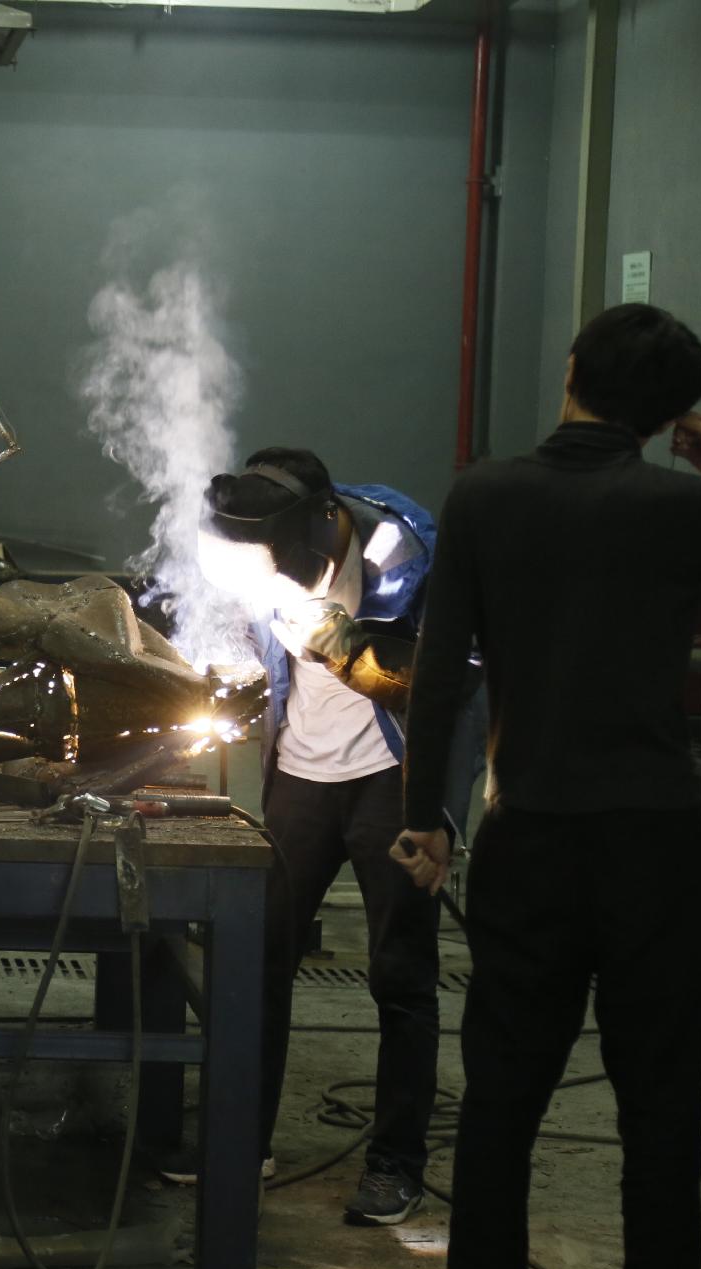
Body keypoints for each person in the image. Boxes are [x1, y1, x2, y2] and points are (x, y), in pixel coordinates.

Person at [393, 303, 701, 1269]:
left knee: (500, 1103)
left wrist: (429, 819)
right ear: (671, 415)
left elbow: (438, 673)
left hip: (529, 837)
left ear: (570, 372)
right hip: (652, 845)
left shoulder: (483, 494)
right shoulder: (681, 505)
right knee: (660, 1113)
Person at [204, 446, 472, 1225]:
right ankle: (241, 1141)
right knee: (259, 958)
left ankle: (396, 1164)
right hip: (300, 772)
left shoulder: (403, 551)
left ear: (326, 523)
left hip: (392, 776)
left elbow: (452, 678)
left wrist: (349, 648)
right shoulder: (248, 537)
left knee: (401, 973)